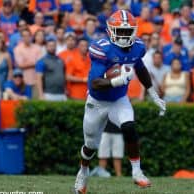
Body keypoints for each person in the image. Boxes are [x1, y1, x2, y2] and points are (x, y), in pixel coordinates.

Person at [74, 10, 166, 194]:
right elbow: (94, 83)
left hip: (118, 100)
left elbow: (140, 67)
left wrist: (153, 94)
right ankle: (83, 172)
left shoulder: (138, 47)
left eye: (128, 31)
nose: (124, 36)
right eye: (121, 31)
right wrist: (116, 81)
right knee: (90, 145)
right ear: (110, 31)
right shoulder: (102, 49)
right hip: (97, 102)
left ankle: (137, 171)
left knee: (129, 127)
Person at [35, 37, 66, 101]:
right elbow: (38, 79)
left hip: (61, 93)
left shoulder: (61, 60)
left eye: (54, 46)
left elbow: (63, 76)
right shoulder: (41, 61)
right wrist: (40, 94)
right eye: (50, 46)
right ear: (46, 47)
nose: (52, 47)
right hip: (48, 94)